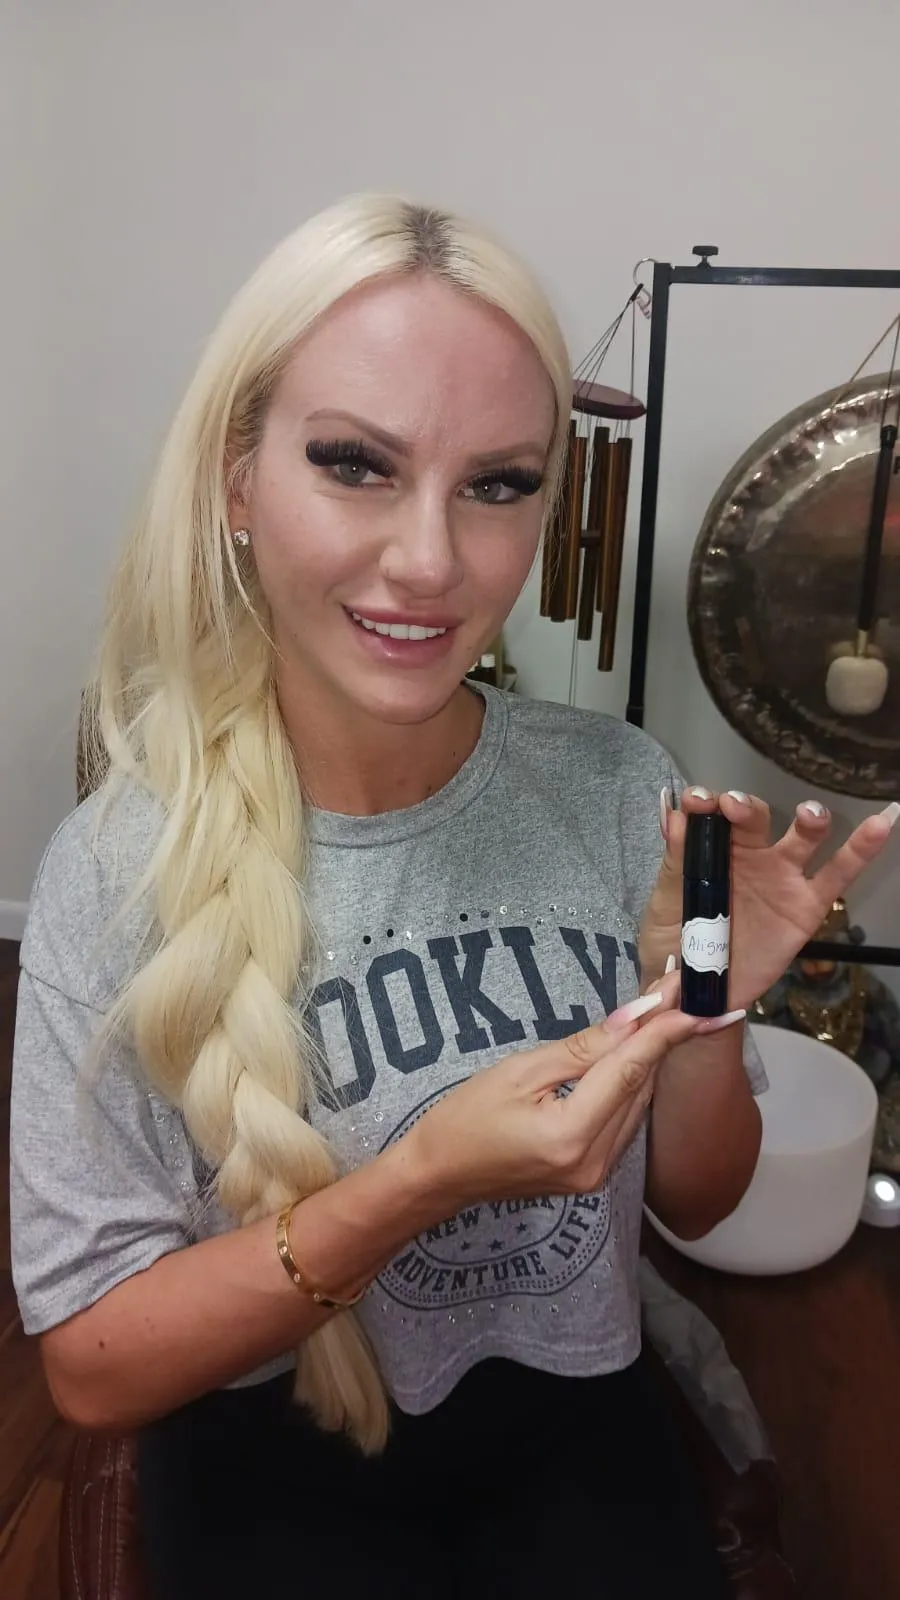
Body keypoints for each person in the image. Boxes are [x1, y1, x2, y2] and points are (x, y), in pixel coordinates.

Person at [10, 194, 897, 1599]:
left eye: (497, 484)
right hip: (269, 1449)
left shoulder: (618, 788)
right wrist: (415, 1183)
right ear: (237, 482)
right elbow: (93, 1368)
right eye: (355, 463)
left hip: (577, 1420)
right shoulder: (117, 871)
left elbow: (703, 1200)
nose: (432, 561)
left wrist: (704, 1002)